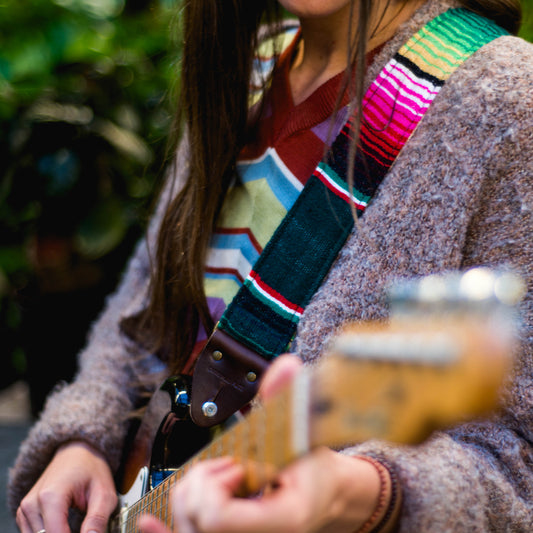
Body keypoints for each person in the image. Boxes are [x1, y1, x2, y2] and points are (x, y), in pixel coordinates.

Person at [8, 0, 533, 531]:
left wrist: (359, 494)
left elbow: (515, 465)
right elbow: (140, 316)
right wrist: (83, 438)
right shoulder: (252, 64)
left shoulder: (505, 100)